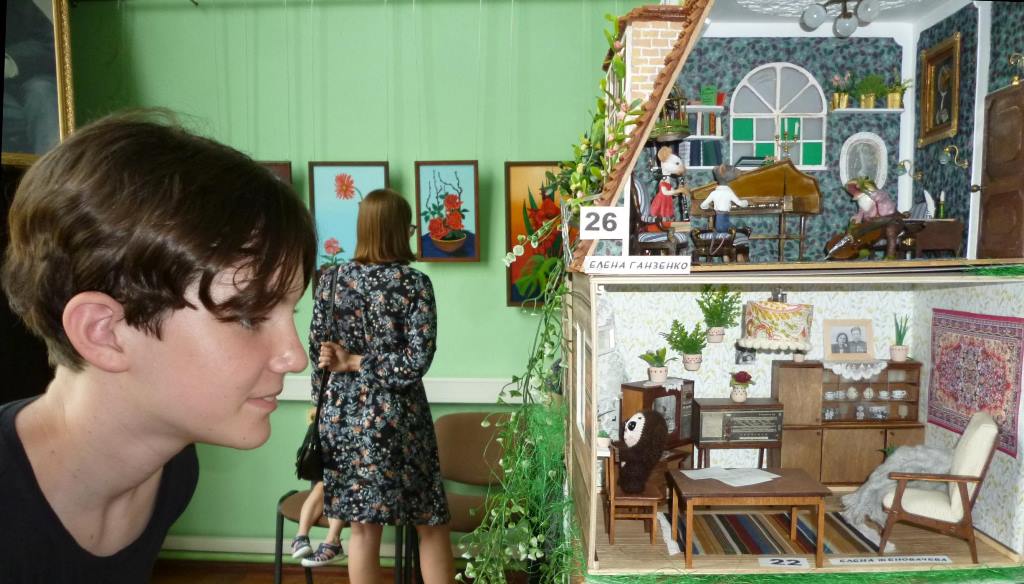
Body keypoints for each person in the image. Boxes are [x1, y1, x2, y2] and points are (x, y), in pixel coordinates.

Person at [0, 112, 317, 582]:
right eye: (248, 316)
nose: (294, 356)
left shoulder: (168, 469)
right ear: (104, 332)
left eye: (289, 311)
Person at [307, 189, 453, 583]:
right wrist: (361, 362)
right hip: (398, 418)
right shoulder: (414, 284)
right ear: (399, 230)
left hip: (342, 418)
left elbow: (318, 353)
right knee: (429, 521)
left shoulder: (330, 281)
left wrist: (329, 392)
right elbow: (415, 362)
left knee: (361, 528)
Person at [4, 0, 61, 153]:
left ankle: (55, 166)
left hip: (27, 84)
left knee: (43, 93)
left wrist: (10, 61)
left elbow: (55, 45)